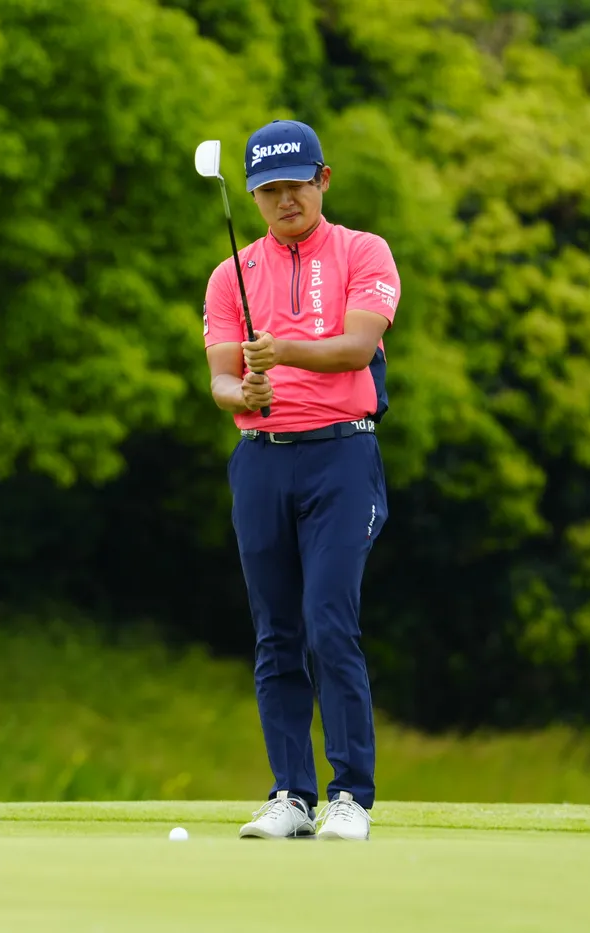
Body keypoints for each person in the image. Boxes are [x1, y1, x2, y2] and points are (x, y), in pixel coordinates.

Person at [202, 119, 400, 842]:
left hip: (341, 457)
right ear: (253, 196)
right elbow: (222, 380)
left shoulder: (362, 251)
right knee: (276, 631)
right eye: (269, 190)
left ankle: (350, 795)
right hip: (261, 459)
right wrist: (245, 392)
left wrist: (280, 352)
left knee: (328, 620)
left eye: (296, 185)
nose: (285, 200)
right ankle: (290, 793)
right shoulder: (230, 274)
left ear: (323, 180)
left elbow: (356, 347)